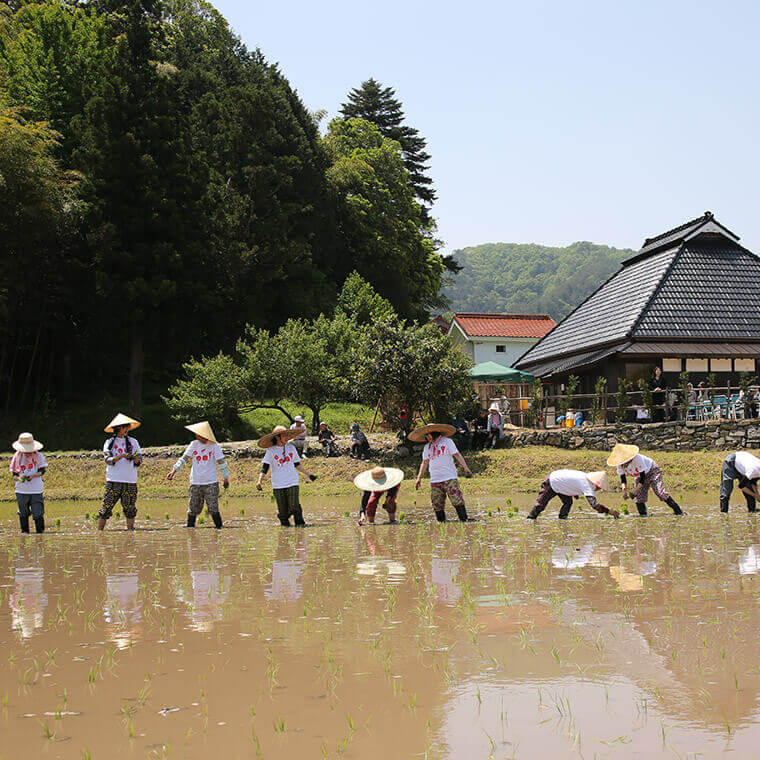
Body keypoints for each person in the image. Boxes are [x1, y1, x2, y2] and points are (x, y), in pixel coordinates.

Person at [167, 421, 229, 529]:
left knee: (213, 508)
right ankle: (190, 528)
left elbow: (221, 462)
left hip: (211, 482)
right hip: (196, 482)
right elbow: (184, 459)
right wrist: (173, 471)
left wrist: (225, 478)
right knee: (193, 508)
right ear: (197, 435)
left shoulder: (214, 446)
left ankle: (219, 529)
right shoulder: (194, 444)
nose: (202, 438)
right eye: (200, 436)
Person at [411, 423, 473, 522]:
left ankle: (464, 520)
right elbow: (425, 462)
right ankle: (441, 523)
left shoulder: (447, 442)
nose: (427, 437)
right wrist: (419, 478)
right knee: (437, 503)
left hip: (449, 477)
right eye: (426, 436)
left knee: (456, 499)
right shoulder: (427, 447)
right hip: (435, 479)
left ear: (435, 433)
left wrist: (465, 468)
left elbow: (457, 455)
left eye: (429, 434)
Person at [257, 425, 317, 526]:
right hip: (278, 483)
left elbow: (297, 464)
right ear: (277, 437)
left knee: (294, 505)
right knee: (283, 512)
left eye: (287, 435)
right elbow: (265, 467)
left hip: (292, 481)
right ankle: (285, 528)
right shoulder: (271, 451)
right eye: (284, 435)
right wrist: (259, 481)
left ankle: (300, 525)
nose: (287, 437)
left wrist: (309, 474)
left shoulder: (291, 447)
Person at [607, 443, 684, 516]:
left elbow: (643, 477)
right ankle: (643, 517)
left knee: (660, 493)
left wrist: (636, 490)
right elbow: (623, 478)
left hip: (652, 471)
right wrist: (624, 491)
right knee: (639, 498)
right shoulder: (620, 465)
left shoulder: (637, 459)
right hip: (639, 476)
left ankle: (678, 512)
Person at [98, 413, 143, 531]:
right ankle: (99, 532)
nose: (127, 429)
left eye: (128, 427)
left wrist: (135, 458)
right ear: (118, 428)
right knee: (106, 507)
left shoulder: (133, 442)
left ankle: (130, 530)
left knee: (130, 508)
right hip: (113, 480)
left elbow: (139, 460)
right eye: (125, 427)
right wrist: (121, 456)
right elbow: (108, 460)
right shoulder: (109, 443)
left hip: (130, 480)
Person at [527, 470, 619, 520]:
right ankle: (530, 519)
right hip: (552, 481)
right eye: (600, 487)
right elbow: (594, 505)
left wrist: (574, 493)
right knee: (541, 504)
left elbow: (571, 483)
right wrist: (609, 511)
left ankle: (562, 520)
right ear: (597, 484)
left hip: (561, 483)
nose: (599, 489)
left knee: (568, 502)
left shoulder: (585, 477)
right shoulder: (587, 485)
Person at [10, 432, 47, 534]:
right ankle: (25, 533)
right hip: (21, 490)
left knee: (38, 514)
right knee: (23, 513)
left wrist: (33, 476)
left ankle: (40, 534)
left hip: (36, 490)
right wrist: (19, 478)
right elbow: (14, 474)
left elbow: (42, 470)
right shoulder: (17, 457)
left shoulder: (39, 456)